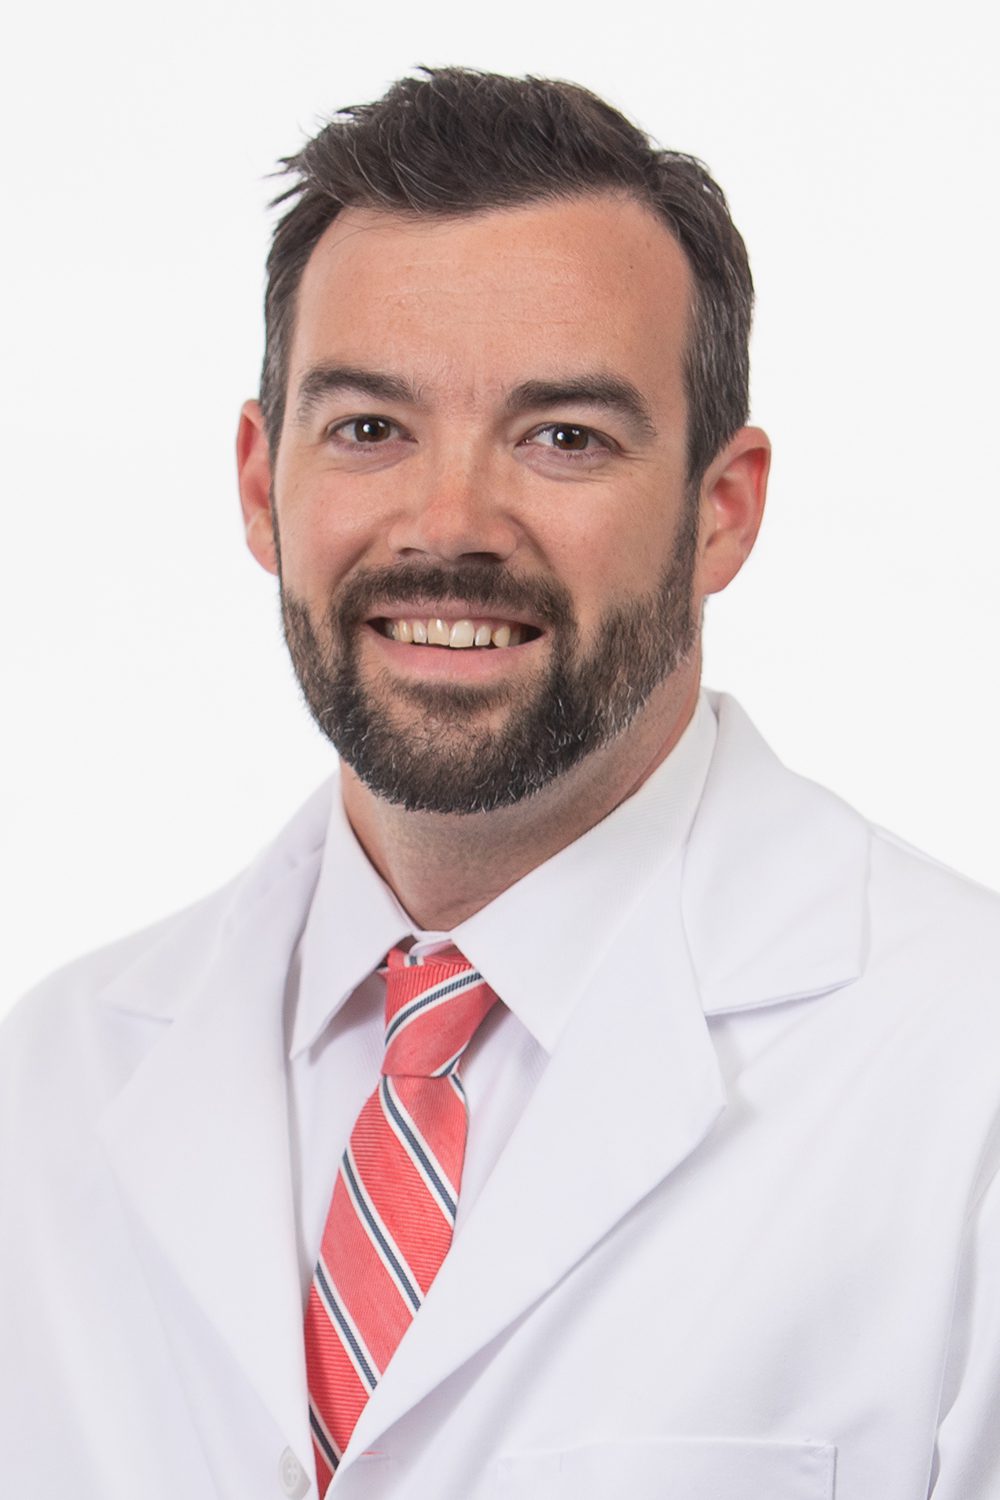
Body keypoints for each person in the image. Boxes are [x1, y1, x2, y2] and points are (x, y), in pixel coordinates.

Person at [1, 65, 998, 1500]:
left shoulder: (965, 1077)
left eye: (563, 438)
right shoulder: (49, 1085)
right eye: (369, 428)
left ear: (722, 512)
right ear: (260, 483)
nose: (450, 523)